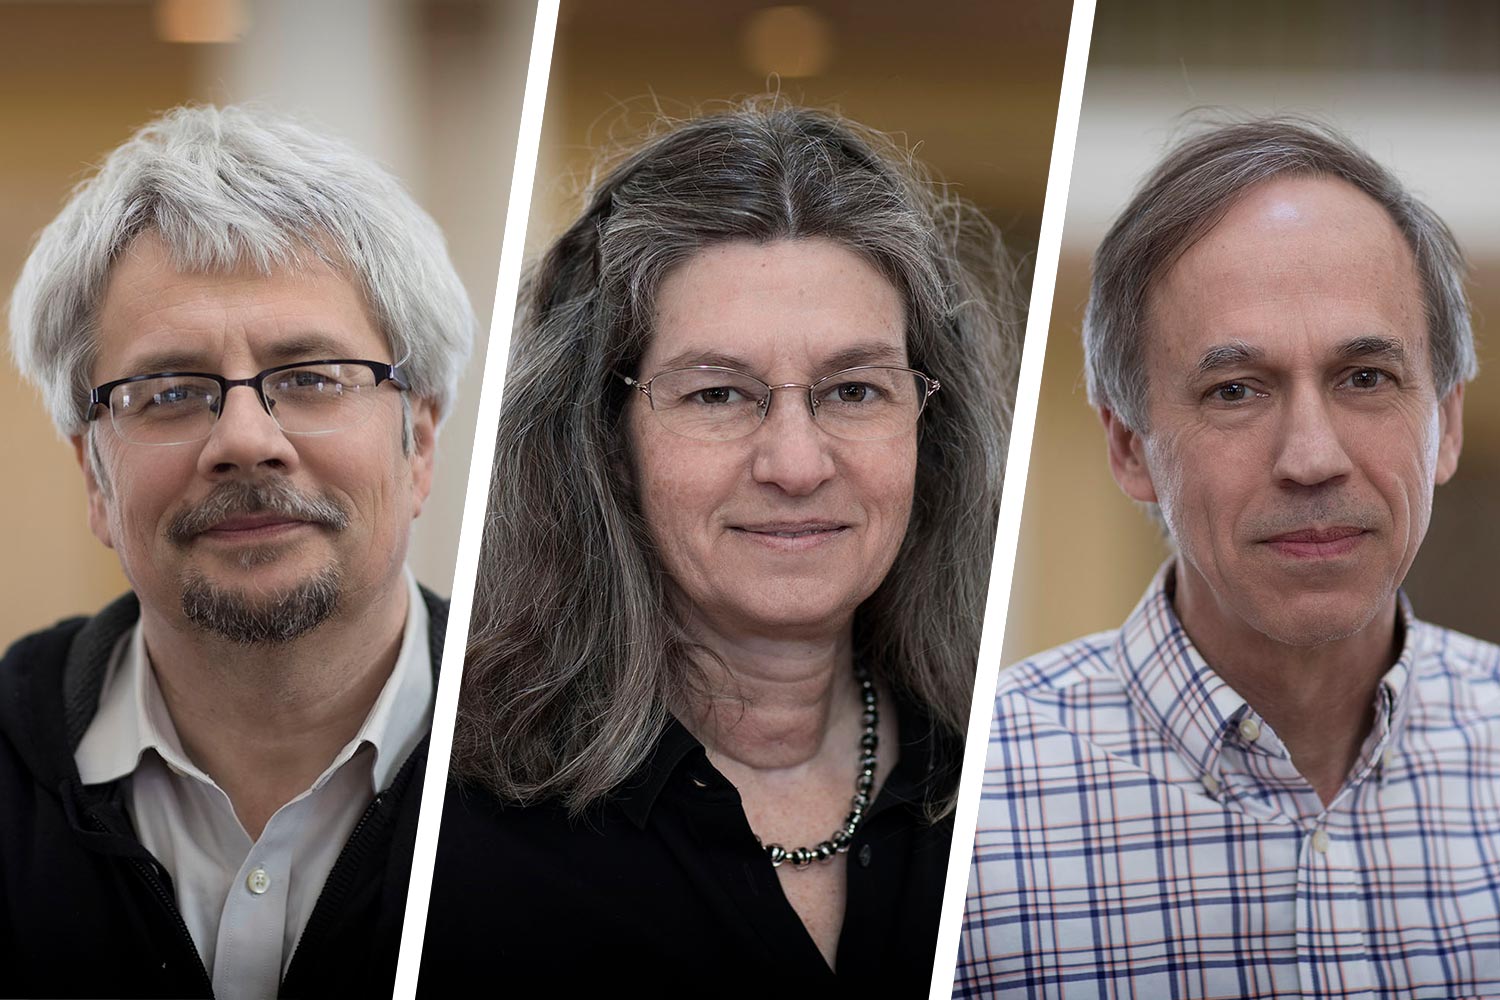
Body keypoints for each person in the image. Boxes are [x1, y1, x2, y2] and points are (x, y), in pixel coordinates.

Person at [419, 99, 1016, 993]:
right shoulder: (447, 827)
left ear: (933, 427)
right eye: (716, 395)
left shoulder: (1005, 784)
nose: (795, 462)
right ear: (602, 441)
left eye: (854, 391)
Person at [957, 117, 1496, 998]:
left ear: (1448, 424)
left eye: (1366, 378)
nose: (1312, 456)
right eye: (1236, 390)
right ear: (1130, 447)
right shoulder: (975, 807)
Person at [0, 105, 475, 999]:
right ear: (95, 477)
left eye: (309, 378)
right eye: (171, 391)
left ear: (418, 442)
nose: (247, 441)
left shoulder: (597, 792)